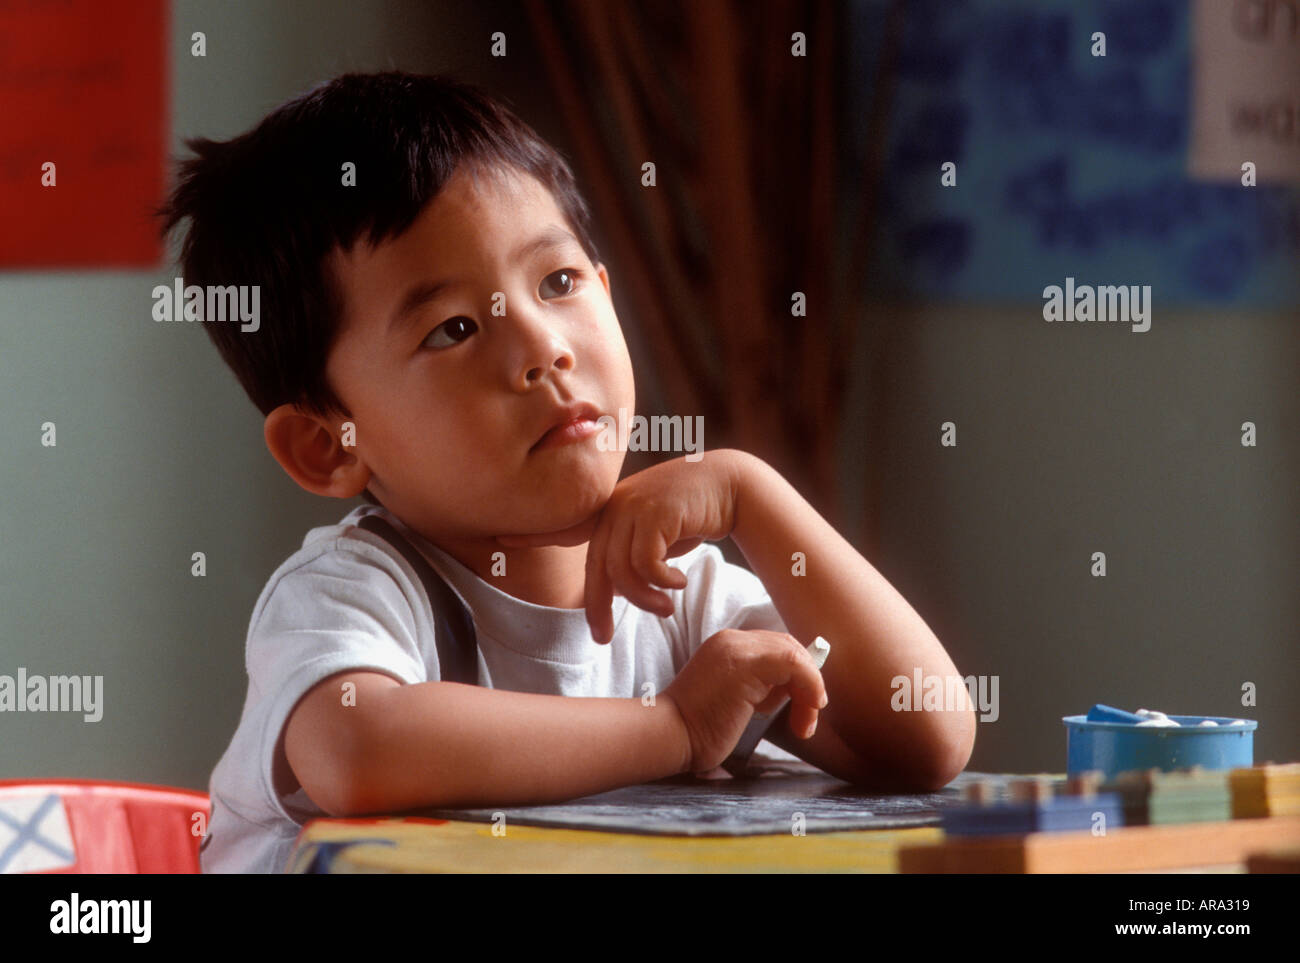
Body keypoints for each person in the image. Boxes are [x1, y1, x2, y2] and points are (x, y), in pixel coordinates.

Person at [157, 71, 975, 874]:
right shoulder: (357, 589)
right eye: (454, 329)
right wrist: (675, 727)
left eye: (558, 282)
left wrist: (749, 491)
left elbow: (926, 736)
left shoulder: (678, 597)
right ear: (328, 444)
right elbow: (359, 747)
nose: (544, 347)